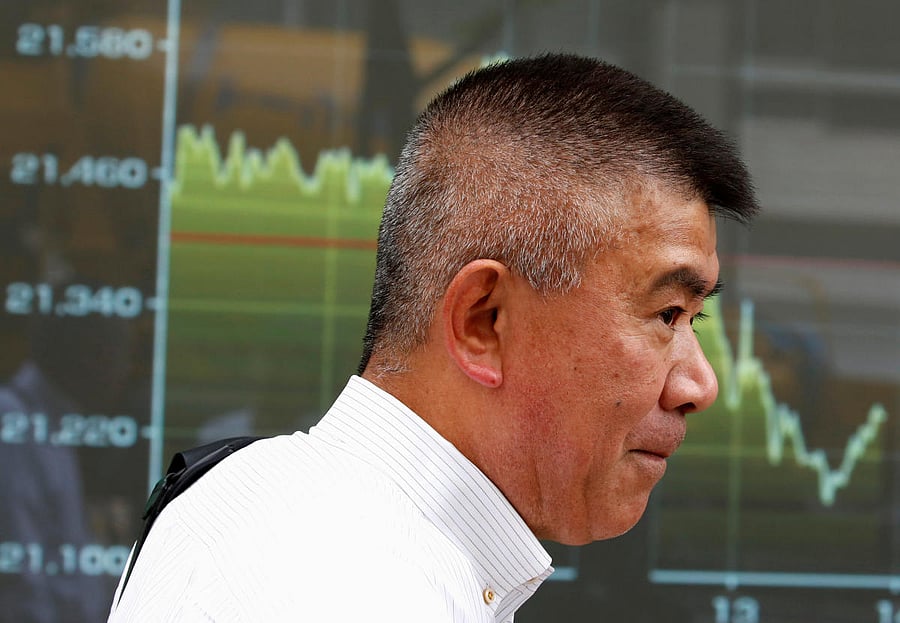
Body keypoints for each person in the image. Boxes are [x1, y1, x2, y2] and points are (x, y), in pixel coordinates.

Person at [108, 53, 758, 622]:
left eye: (693, 320)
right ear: (484, 321)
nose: (700, 384)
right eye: (668, 314)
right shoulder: (352, 592)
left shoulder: (274, 506)